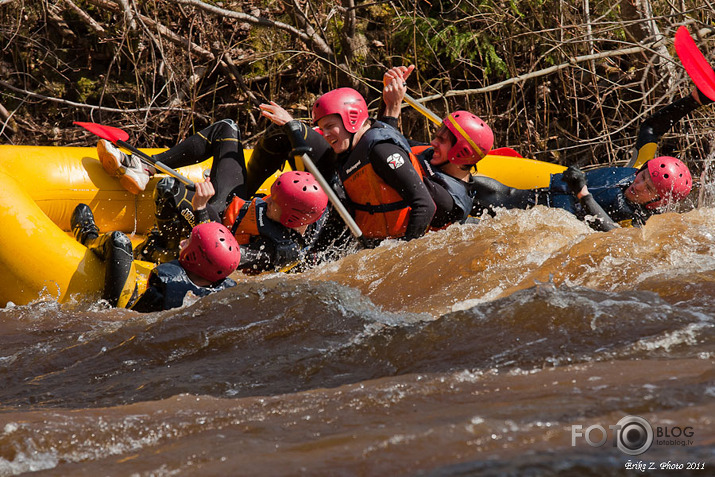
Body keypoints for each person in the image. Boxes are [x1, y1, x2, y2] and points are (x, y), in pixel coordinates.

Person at [97, 121, 330, 272]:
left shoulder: (277, 251)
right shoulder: (309, 207)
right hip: (231, 208)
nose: (266, 199)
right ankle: (147, 166)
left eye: (272, 202)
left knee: (168, 189)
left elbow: (217, 256)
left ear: (290, 219)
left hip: (219, 232)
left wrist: (200, 208)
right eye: (271, 195)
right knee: (227, 128)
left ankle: (163, 248)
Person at [470, 86, 712, 231]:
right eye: (643, 177)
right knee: (487, 189)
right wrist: (694, 100)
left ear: (657, 202)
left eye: (648, 188)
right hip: (535, 196)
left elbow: (613, 235)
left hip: (542, 224)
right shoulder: (637, 170)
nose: (637, 185)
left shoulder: (637, 220)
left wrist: (583, 195)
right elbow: (651, 128)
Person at [256, 87, 437, 245]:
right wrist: (291, 125)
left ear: (351, 119)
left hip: (398, 240)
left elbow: (425, 205)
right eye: (321, 128)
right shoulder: (348, 149)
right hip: (372, 240)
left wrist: (406, 252)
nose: (325, 134)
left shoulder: (382, 151)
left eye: (330, 126)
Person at [70, 201, 240, 312]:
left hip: (121, 307)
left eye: (188, 242)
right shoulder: (225, 291)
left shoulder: (164, 287)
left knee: (118, 241)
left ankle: (87, 235)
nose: (182, 243)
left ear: (194, 257)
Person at [380, 65, 494, 228]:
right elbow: (380, 140)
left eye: (441, 140)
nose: (433, 143)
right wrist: (388, 96)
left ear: (460, 153)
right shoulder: (431, 155)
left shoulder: (447, 200)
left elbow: (386, 154)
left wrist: (393, 109)